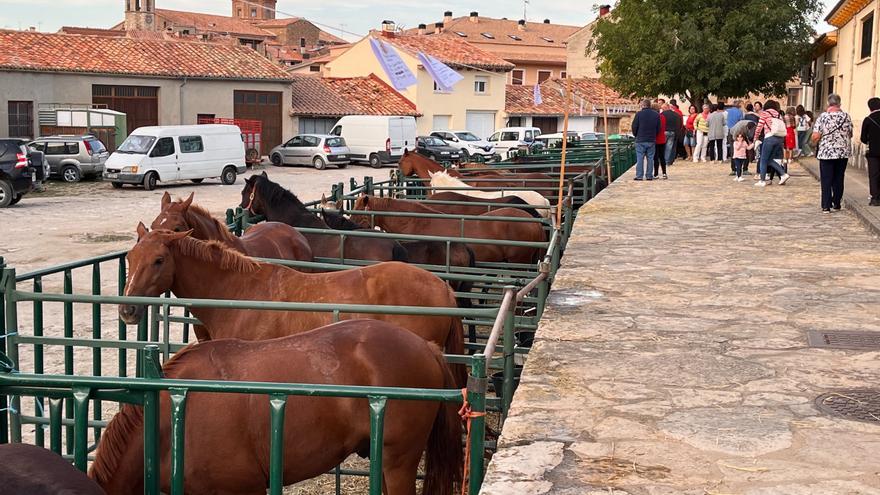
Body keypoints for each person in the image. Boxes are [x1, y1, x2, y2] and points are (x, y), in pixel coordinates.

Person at [811, 93, 853, 212]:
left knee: (826, 179)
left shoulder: (823, 117)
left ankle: (826, 205)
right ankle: (837, 203)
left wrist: (817, 140)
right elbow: (850, 134)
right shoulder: (846, 117)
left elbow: (815, 136)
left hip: (826, 152)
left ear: (828, 103)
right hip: (842, 152)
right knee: (839, 178)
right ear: (839, 103)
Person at [753, 99, 791, 187]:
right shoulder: (778, 114)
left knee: (763, 159)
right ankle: (783, 174)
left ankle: (762, 180)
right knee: (769, 159)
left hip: (770, 137)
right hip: (779, 138)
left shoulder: (765, 113)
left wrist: (755, 138)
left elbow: (759, 126)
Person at [632, 98, 661, 180]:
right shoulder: (656, 115)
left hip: (640, 139)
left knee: (640, 158)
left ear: (643, 105)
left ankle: (639, 176)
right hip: (651, 139)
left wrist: (636, 135)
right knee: (650, 158)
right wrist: (654, 135)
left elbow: (634, 126)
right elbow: (658, 127)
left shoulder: (639, 114)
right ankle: (649, 175)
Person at [859, 97, 880, 206]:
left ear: (870, 107)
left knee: (874, 174)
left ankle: (875, 198)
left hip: (873, 152)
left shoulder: (868, 119)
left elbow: (863, 138)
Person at [654, 103, 669, 179]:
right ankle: (664, 173)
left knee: (655, 157)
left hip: (655, 139)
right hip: (662, 139)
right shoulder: (663, 117)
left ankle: (656, 174)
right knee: (662, 157)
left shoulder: (654, 118)